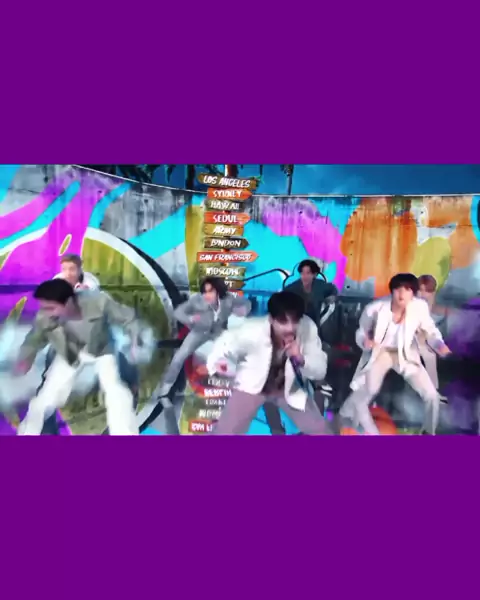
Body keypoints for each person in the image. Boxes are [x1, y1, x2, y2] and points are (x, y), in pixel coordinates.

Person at [13, 279, 142, 435]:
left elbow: (128, 317)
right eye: (44, 308)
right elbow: (33, 340)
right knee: (44, 399)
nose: (47, 313)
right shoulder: (45, 317)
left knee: (116, 391)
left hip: (101, 351)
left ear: (68, 302)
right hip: (70, 353)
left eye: (51, 308)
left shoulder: (98, 302)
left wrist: (135, 338)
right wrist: (25, 359)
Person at [339, 273, 451, 435]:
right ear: (392, 291)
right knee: (369, 389)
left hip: (406, 354)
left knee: (431, 395)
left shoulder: (419, 308)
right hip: (380, 353)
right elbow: (361, 332)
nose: (402, 294)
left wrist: (440, 345)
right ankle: (347, 414)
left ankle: (428, 432)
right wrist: (365, 341)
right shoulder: (375, 309)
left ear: (413, 293)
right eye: (398, 289)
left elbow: (430, 331)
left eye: (407, 290)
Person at [206, 291, 330, 435]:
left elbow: (321, 370)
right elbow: (224, 343)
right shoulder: (252, 330)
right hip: (252, 385)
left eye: (295, 321)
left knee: (320, 430)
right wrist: (218, 364)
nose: (290, 328)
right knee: (225, 432)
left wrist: (301, 359)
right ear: (271, 319)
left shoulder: (308, 328)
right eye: (283, 321)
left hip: (288, 388)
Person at [152, 277, 251, 401]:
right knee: (179, 357)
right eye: (204, 292)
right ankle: (165, 389)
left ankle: (247, 382)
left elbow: (246, 303)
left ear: (218, 291)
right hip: (199, 332)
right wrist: (190, 319)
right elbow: (178, 312)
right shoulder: (197, 300)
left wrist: (243, 310)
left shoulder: (228, 300)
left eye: (210, 291)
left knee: (236, 353)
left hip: (219, 333)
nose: (206, 295)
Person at [417, 274, 448, 403]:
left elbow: (430, 329)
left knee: (430, 356)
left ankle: (433, 393)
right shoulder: (410, 304)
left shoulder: (429, 308)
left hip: (421, 342)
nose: (423, 294)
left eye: (427, 291)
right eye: (421, 290)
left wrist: (439, 345)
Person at [284, 259, 338, 328]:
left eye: (308, 273)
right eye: (302, 273)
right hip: (297, 325)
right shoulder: (293, 288)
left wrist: (332, 296)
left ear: (314, 274)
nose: (304, 276)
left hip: (315, 324)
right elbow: (283, 295)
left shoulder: (320, 285)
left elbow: (333, 289)